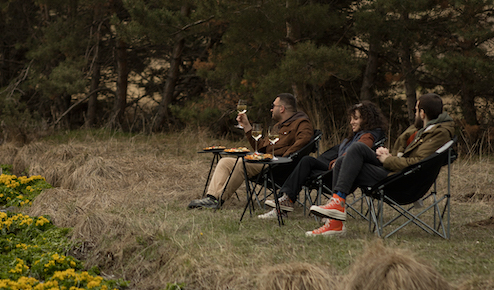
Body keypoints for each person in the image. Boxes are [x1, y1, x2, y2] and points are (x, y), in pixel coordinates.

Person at [308, 93, 455, 237]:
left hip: (403, 182)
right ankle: (336, 211)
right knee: (350, 154)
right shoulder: (420, 129)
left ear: (422, 113)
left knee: (349, 156)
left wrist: (387, 160)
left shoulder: (439, 133)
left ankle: (336, 216)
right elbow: (405, 156)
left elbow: (415, 163)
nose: (414, 113)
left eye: (415, 110)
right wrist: (388, 155)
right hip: (397, 171)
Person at [257, 100, 387, 220]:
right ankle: (285, 201)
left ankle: (286, 202)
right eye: (351, 118)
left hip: (342, 173)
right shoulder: (354, 136)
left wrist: (337, 161)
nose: (351, 122)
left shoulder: (368, 136)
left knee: (307, 162)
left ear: (367, 120)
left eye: (356, 119)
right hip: (334, 167)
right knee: (307, 161)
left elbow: (356, 151)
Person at [188, 93, 313, 209]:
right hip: (265, 162)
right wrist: (247, 126)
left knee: (241, 164)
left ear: (282, 108)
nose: (271, 109)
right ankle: (212, 197)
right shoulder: (278, 126)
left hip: (279, 167)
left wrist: (284, 157)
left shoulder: (302, 123)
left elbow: (304, 142)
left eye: (273, 106)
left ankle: (218, 200)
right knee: (225, 162)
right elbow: (260, 147)